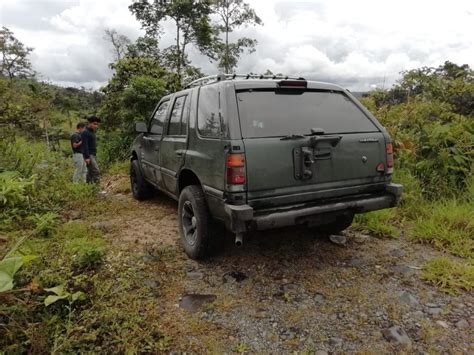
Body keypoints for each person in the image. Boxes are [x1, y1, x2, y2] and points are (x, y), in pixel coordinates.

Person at [81, 115, 101, 184]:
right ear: (89, 123)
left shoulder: (92, 132)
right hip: (89, 155)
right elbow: (84, 145)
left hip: (93, 154)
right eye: (94, 124)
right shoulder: (85, 132)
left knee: (90, 172)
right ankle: (97, 189)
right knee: (96, 171)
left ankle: (89, 189)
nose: (96, 126)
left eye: (97, 124)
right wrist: (87, 157)